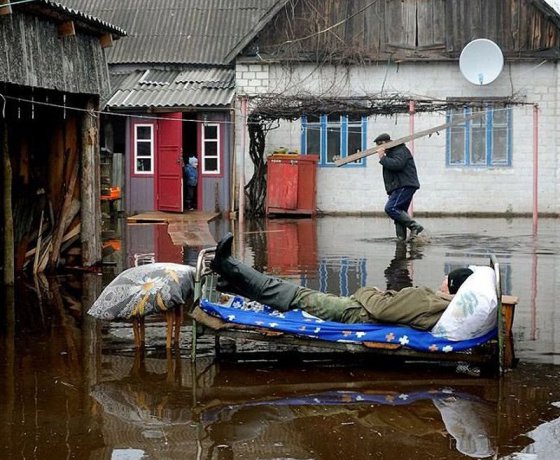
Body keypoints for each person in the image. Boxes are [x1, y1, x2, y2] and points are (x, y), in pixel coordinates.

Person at [210, 233, 473, 331]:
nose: (441, 281)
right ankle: (233, 284)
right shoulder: (444, 307)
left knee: (292, 293)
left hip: (353, 313)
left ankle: (228, 266)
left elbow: (380, 309)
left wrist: (366, 291)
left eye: (446, 279)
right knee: (293, 293)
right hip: (358, 312)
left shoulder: (430, 300)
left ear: (451, 287)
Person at [374, 133, 424, 241]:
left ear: (384, 143)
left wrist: (382, 158)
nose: (378, 148)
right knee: (399, 215)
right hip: (399, 186)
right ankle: (401, 240)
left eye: (379, 145)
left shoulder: (400, 149)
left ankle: (414, 226)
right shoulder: (393, 152)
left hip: (404, 185)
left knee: (391, 208)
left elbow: (397, 165)